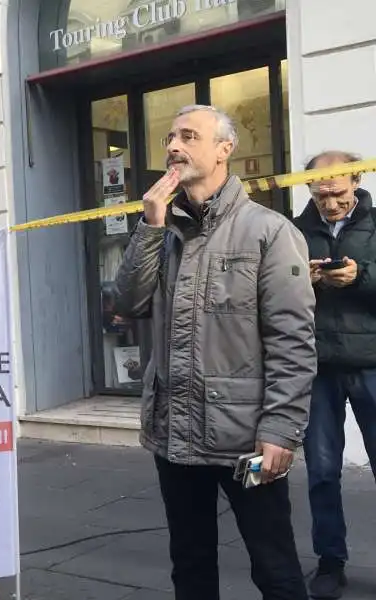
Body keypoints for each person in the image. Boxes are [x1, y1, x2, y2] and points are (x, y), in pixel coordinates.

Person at [110, 105, 316, 600]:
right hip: (174, 435)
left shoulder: (269, 232)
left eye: (188, 136)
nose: (174, 147)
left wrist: (281, 429)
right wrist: (150, 226)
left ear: (225, 149)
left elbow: (293, 340)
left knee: (275, 567)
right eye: (169, 138)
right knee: (192, 565)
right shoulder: (162, 232)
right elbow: (127, 302)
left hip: (244, 439)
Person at [294, 150, 376, 599]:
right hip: (318, 366)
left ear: (357, 180)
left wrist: (361, 277)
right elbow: (268, 294)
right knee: (322, 471)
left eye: (338, 192)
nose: (330, 203)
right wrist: (297, 282)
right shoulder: (292, 230)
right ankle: (330, 561)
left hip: (371, 362)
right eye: (320, 193)